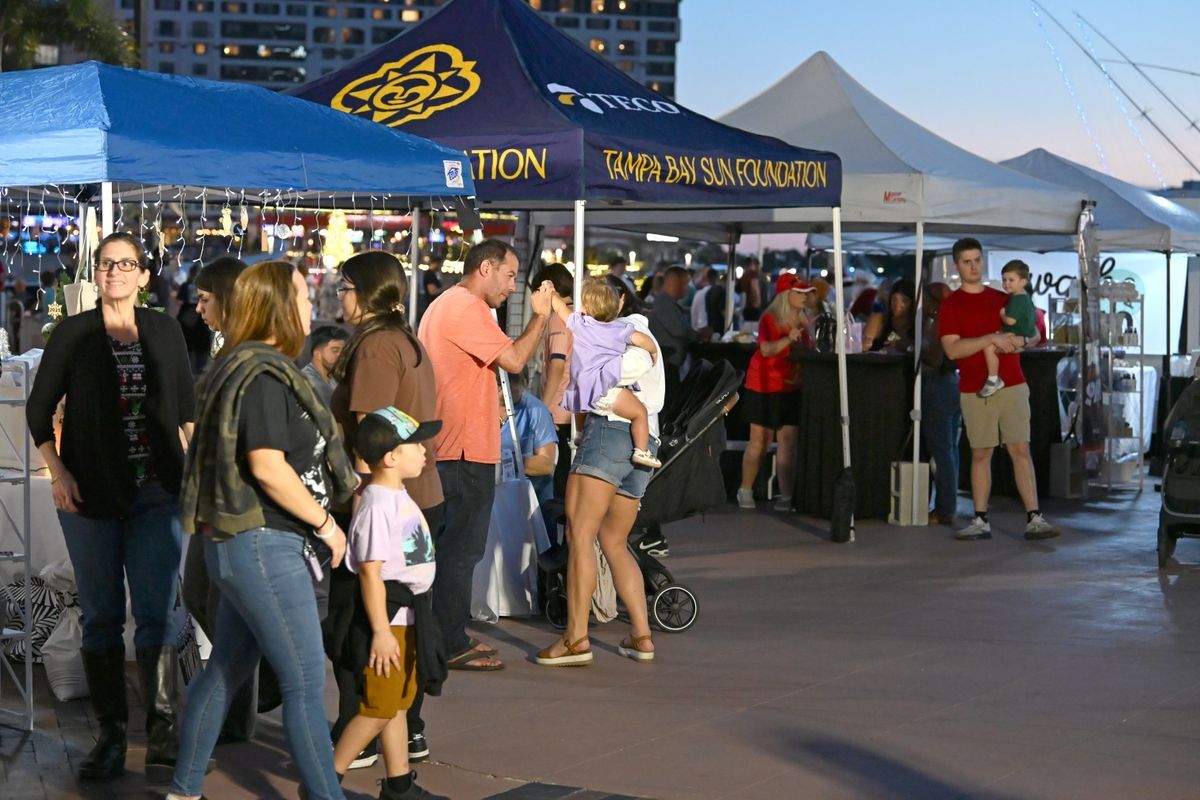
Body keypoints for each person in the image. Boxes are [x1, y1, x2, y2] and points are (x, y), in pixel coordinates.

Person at [171, 260, 358, 800]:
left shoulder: (245, 367)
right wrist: (327, 524)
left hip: (247, 543)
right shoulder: (262, 374)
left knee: (225, 670)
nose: (311, 305)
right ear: (279, 307)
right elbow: (268, 465)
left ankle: (183, 790)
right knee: (304, 682)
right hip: (262, 544)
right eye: (303, 296)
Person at [27, 232, 195, 783]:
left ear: (144, 276)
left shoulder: (165, 331)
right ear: (95, 274)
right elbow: (38, 411)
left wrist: (197, 478)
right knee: (100, 615)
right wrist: (58, 472)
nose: (115, 272)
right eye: (106, 264)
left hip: (157, 493)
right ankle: (111, 735)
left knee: (156, 612)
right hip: (89, 495)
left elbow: (187, 412)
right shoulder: (74, 333)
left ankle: (163, 733)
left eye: (126, 264)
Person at [328, 251, 445, 768]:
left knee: (362, 626)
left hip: (385, 498)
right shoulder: (402, 339)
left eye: (346, 287)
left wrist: (358, 507)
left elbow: (368, 437)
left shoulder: (376, 346)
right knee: (403, 627)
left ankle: (356, 736)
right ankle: (402, 733)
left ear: (368, 292)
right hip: (413, 497)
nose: (341, 297)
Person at [417, 239, 555, 671]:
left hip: (452, 445)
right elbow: (514, 359)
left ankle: (444, 636)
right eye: (509, 275)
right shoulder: (467, 306)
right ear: (485, 269)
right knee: (461, 551)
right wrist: (540, 316)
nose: (513, 286)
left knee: (453, 550)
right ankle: (448, 643)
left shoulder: (446, 305)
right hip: (462, 451)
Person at [537, 302, 664, 667]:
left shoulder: (610, 334)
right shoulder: (643, 334)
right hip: (645, 440)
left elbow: (601, 379)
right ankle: (642, 635)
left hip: (609, 432)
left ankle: (576, 638)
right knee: (614, 541)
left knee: (579, 535)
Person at [332, 407, 446, 800]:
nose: (425, 451)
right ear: (391, 457)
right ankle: (323, 782)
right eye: (416, 445)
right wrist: (381, 632)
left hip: (406, 617)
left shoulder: (395, 495)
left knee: (396, 704)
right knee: (377, 708)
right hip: (389, 622)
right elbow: (370, 572)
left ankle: (399, 787)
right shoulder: (378, 505)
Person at [180, 254, 257, 744]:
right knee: (201, 595)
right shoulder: (227, 348)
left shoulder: (246, 355)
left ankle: (234, 705)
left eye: (205, 299)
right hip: (213, 499)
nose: (199, 308)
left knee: (219, 600)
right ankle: (237, 700)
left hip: (233, 504)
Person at [939, 238, 1060, 542]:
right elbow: (952, 349)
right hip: (975, 386)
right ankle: (980, 519)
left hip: (1013, 382)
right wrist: (990, 339)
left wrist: (1023, 341)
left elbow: (1034, 331)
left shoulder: (1002, 297)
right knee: (981, 452)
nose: (973, 266)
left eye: (977, 260)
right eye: (967, 261)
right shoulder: (951, 305)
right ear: (957, 265)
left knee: (1020, 448)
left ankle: (1034, 517)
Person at [550, 282, 661, 468]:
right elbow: (643, 339)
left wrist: (551, 292)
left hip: (582, 388)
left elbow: (560, 308)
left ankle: (579, 434)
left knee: (580, 403)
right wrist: (653, 351)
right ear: (617, 308)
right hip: (608, 391)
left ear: (584, 308)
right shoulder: (619, 329)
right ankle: (642, 451)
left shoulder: (580, 324)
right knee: (639, 413)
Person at [737, 274, 817, 512]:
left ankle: (786, 494)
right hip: (763, 385)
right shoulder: (770, 319)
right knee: (759, 441)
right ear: (786, 295)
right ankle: (745, 488)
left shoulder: (806, 321)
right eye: (799, 292)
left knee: (788, 442)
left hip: (790, 386)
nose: (804, 297)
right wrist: (788, 339)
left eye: (806, 293)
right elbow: (766, 349)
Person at [533, 263, 575, 500]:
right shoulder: (578, 316)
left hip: (558, 411)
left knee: (558, 480)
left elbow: (557, 365)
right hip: (574, 409)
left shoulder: (558, 320)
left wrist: (544, 408)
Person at [921, 283, 962, 525]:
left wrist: (914, 350)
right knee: (950, 450)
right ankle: (949, 505)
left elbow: (935, 358)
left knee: (942, 451)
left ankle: (945, 508)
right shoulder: (953, 319)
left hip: (938, 385)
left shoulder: (938, 323)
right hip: (952, 384)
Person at [978, 260, 1038, 398]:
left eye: (1011, 280)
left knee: (989, 347)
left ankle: (993, 378)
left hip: (1016, 334)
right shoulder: (1024, 298)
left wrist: (1002, 314)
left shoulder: (1017, 299)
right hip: (1020, 335)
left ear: (1023, 281)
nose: (1006, 283)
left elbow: (1011, 320)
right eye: (1004, 280)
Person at [501, 371, 559, 508]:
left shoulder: (536, 409)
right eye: (500, 387)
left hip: (528, 495)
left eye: (512, 386)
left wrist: (507, 461)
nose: (503, 393)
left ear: (524, 384)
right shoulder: (481, 408)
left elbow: (546, 465)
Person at [647, 266, 697, 382]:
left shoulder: (669, 302)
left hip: (669, 365)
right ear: (673, 282)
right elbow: (679, 330)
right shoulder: (664, 303)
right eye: (685, 283)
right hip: (666, 366)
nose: (688, 288)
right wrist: (698, 335)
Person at [194, 255, 248, 358]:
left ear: (228, 299)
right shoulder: (232, 345)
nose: (198, 309)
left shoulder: (247, 353)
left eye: (205, 299)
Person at [864, 278, 917, 353]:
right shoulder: (879, 319)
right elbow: (864, 346)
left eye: (904, 301)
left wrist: (899, 343)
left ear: (913, 303)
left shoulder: (917, 325)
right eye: (894, 299)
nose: (898, 305)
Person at [304, 324, 348, 407]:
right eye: (335, 350)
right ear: (317, 354)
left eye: (343, 351)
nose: (341, 355)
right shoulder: (309, 381)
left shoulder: (333, 377)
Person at [690, 266, 719, 334]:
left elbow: (693, 313)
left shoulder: (698, 293)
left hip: (698, 330)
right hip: (711, 332)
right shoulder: (718, 292)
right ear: (716, 278)